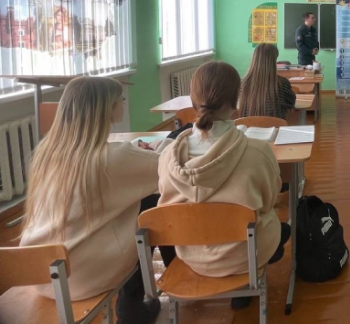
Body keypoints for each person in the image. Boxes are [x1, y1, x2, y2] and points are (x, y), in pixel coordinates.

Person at [20, 77, 171, 324]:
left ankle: (134, 304)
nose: (124, 102)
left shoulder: (47, 155)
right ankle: (133, 304)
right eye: (120, 99)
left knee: (128, 200)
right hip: (80, 278)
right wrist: (163, 143)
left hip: (40, 273)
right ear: (107, 109)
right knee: (152, 202)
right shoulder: (113, 158)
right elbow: (170, 167)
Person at [157, 61, 288, 311]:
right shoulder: (258, 152)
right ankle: (244, 285)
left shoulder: (166, 158)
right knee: (274, 222)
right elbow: (270, 200)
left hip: (191, 255)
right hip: (245, 255)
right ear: (236, 101)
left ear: (193, 101)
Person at [240, 43, 296, 120]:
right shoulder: (282, 83)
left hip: (247, 127)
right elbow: (291, 103)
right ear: (273, 61)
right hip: (276, 126)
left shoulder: (242, 83)